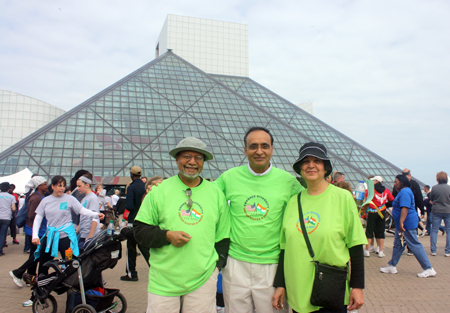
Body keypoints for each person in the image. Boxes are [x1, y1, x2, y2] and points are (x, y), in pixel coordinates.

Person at [134, 137, 230, 313]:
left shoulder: (216, 193)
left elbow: (223, 236)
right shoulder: (159, 191)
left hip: (203, 278)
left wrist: (216, 267)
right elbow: (140, 230)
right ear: (177, 159)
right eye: (187, 156)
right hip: (164, 280)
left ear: (204, 162)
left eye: (198, 157)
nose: (192, 162)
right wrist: (167, 236)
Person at [214, 127, 303, 313]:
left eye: (265, 146)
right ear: (245, 150)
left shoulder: (288, 182)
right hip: (235, 263)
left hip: (273, 264)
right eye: (253, 146)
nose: (259, 151)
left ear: (272, 149)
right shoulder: (228, 178)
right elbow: (207, 201)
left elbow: (308, 207)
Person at [272, 142, 366, 313]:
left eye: (317, 161)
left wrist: (357, 286)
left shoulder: (342, 198)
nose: (311, 165)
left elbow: (356, 244)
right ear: (300, 168)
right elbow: (285, 249)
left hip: (330, 290)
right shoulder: (294, 201)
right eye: (306, 161)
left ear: (325, 168)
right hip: (298, 290)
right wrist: (280, 285)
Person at [32, 176, 104, 275]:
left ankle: (72, 286)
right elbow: (38, 217)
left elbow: (82, 211)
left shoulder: (70, 199)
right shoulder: (45, 201)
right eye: (59, 186)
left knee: (70, 263)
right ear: (52, 186)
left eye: (63, 186)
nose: (62, 188)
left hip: (66, 236)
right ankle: (41, 285)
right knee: (43, 263)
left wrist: (96, 214)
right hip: (50, 236)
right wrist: (35, 236)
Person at [380, 175, 436, 277]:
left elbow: (405, 208)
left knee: (414, 244)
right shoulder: (403, 191)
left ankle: (428, 268)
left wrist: (401, 222)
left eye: (396, 181)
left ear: (401, 182)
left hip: (407, 224)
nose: (394, 183)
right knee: (398, 245)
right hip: (403, 223)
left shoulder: (405, 192)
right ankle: (392, 265)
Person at [9, 177, 48, 289]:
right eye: (44, 184)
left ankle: (29, 276)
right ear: (39, 186)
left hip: (34, 229)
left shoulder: (37, 196)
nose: (47, 185)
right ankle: (18, 273)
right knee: (37, 254)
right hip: (35, 230)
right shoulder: (36, 198)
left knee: (34, 254)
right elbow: (32, 215)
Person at [120, 166, 149, 281]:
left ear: (132, 175)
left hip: (133, 221)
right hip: (144, 220)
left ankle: (132, 273)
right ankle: (156, 269)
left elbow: (129, 206)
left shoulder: (132, 187)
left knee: (131, 248)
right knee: (145, 247)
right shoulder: (145, 186)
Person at [363, 176, 394, 258]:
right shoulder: (386, 190)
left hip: (372, 212)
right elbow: (392, 199)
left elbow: (365, 200)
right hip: (382, 212)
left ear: (377, 181)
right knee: (380, 231)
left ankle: (367, 250)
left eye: (374, 180)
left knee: (369, 231)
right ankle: (380, 251)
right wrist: (385, 205)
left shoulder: (370, 190)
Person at [76, 173, 101, 251]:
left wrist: (90, 237)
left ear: (87, 185)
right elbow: (83, 216)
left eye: (79, 186)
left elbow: (95, 218)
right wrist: (78, 230)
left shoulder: (93, 198)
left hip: (90, 236)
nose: (77, 188)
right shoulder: (85, 198)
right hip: (84, 233)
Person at [429, 171, 450, 256]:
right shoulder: (449, 188)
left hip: (436, 210)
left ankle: (433, 250)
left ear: (437, 178)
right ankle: (447, 251)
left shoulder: (434, 188)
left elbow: (431, 199)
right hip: (448, 210)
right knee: (449, 231)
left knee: (434, 230)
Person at [0, 182, 17, 256]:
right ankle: (0, 250)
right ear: (8, 188)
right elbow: (13, 208)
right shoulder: (11, 197)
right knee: (3, 234)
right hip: (6, 217)